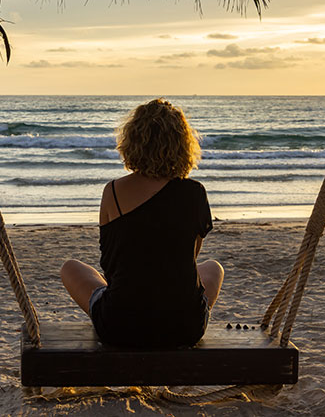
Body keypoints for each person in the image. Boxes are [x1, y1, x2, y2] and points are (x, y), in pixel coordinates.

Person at [60, 98, 223, 347]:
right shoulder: (195, 193)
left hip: (120, 326)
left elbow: (111, 262)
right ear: (183, 145)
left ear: (132, 141)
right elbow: (189, 259)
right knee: (213, 268)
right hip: (184, 327)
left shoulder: (113, 191)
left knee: (70, 268)